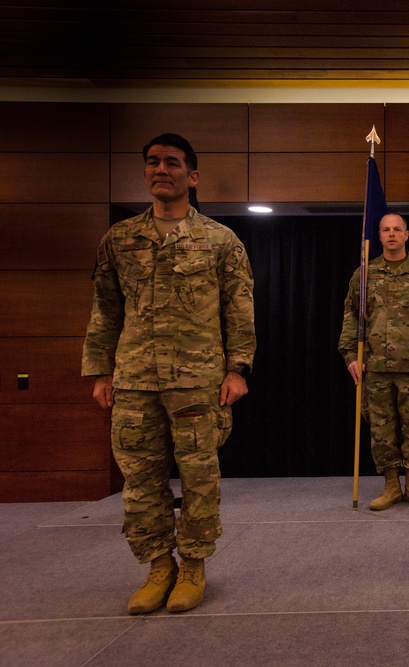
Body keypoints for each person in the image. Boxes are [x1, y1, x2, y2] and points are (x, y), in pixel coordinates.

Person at [82, 133, 255, 614]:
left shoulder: (220, 241)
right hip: (134, 379)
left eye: (172, 163)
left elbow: (239, 312)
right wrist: (100, 372)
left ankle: (194, 567)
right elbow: (105, 310)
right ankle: (159, 567)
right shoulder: (119, 240)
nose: (162, 169)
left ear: (191, 176)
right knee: (139, 481)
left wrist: (237, 369)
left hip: (197, 381)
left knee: (200, 477)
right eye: (153, 162)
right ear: (145, 173)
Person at [339, 213, 409, 511]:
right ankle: (390, 487)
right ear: (378, 234)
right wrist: (350, 356)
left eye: (397, 229)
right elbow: (351, 316)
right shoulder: (364, 274)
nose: (391, 234)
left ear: (406, 235)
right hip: (375, 368)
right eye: (385, 229)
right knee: (381, 432)